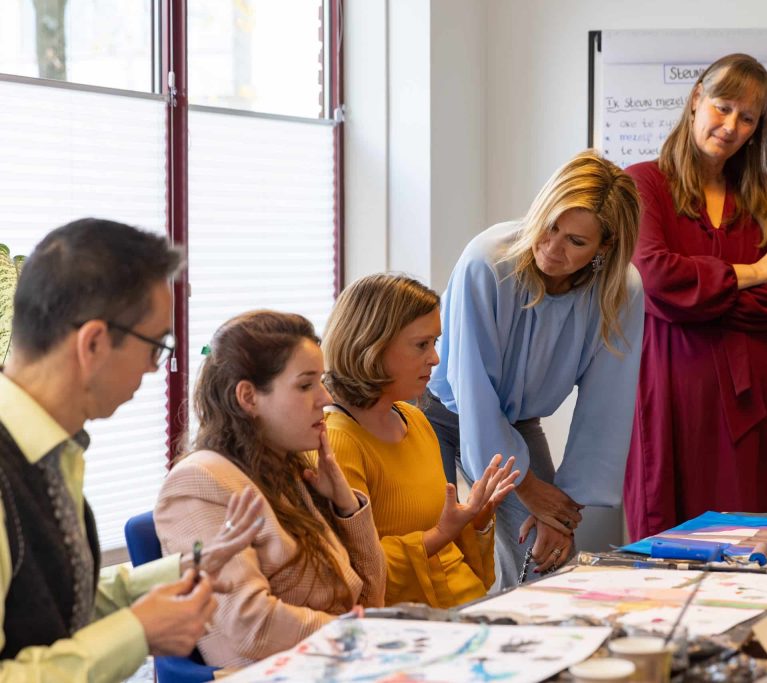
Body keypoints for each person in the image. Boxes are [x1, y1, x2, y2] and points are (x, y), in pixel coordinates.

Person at [0, 218, 261, 681]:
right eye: (155, 345)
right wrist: (137, 631)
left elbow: (48, 605)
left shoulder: (46, 451)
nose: (154, 368)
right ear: (94, 343)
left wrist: (181, 571)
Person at [424, 149, 645, 588]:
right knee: (437, 564)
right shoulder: (487, 262)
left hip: (519, 425)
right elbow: (473, 390)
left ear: (605, 248)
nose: (551, 247)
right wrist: (527, 488)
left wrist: (562, 510)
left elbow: (606, 410)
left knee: (548, 564)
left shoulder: (622, 290)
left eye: (576, 242)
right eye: (550, 224)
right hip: (438, 415)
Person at [624, 53, 767, 541]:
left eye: (747, 117)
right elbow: (655, 277)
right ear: (695, 101)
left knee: (763, 538)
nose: (731, 126)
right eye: (723, 107)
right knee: (672, 540)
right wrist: (754, 272)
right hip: (672, 388)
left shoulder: (766, 194)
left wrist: (700, 300)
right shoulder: (643, 182)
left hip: (761, 394)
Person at [154, 310, 387, 668]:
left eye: (321, 382)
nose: (325, 398)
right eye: (306, 384)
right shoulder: (200, 482)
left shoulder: (288, 467)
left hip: (334, 664)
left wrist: (344, 503)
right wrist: (357, 635)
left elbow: (369, 598)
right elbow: (252, 624)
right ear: (248, 397)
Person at [320, 273, 519, 607]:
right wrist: (441, 533)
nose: (435, 359)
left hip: (463, 607)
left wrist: (477, 519)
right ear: (373, 345)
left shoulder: (414, 419)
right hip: (403, 627)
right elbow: (351, 571)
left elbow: (451, 554)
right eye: (421, 345)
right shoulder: (339, 442)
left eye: (435, 343)